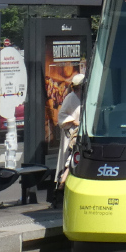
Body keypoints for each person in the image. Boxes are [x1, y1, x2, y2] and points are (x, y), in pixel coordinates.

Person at [52, 73, 85, 208]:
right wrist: (73, 121)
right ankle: (60, 188)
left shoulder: (83, 98)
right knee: (69, 160)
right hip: (71, 136)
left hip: (80, 136)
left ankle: (62, 188)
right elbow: (61, 116)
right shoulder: (71, 98)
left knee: (71, 161)